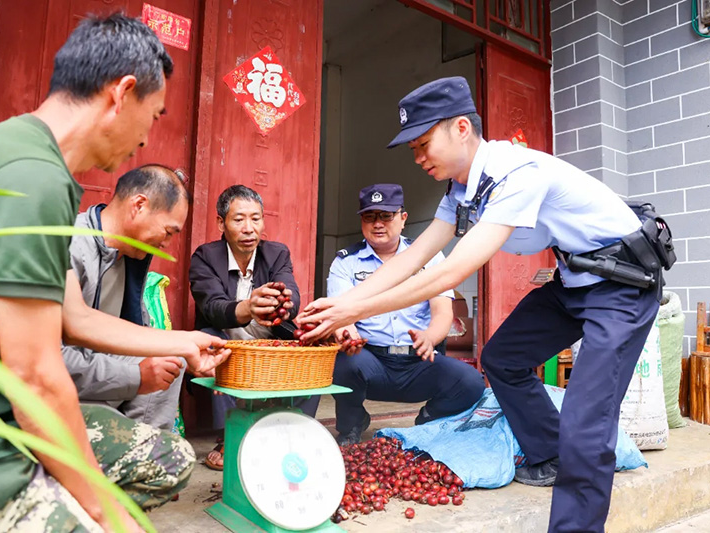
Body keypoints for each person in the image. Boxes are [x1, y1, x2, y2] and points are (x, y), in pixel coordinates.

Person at [298, 76, 664, 533]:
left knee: (586, 422)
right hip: (576, 283)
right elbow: (416, 256)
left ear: (461, 129)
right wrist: (339, 304)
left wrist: (353, 312)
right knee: (503, 359)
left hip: (622, 288)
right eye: (412, 147)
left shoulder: (518, 173)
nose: (418, 157)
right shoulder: (460, 190)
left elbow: (448, 274)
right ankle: (549, 455)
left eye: (423, 143)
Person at [0, 13, 228, 532]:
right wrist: (99, 509)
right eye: (153, 115)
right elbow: (37, 376)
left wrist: (186, 339)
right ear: (121, 94)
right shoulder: (32, 178)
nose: (147, 140)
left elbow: (74, 317)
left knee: (167, 460)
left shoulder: (31, 161)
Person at [327, 183, 485, 446]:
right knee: (342, 364)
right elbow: (341, 315)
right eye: (369, 216)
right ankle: (352, 424)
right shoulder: (346, 262)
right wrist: (346, 333)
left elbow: (443, 312)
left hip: (418, 361)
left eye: (386, 216)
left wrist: (430, 338)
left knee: (471, 382)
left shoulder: (429, 257)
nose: (378, 224)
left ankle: (428, 417)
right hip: (369, 360)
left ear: (403, 218)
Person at [189, 184, 319, 469]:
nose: (249, 228)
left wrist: (284, 302)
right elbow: (211, 306)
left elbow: (293, 297)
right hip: (224, 336)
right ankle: (228, 437)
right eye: (238, 220)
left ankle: (295, 430)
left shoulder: (276, 253)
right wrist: (248, 306)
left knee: (310, 353)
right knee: (212, 343)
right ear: (221, 223)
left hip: (267, 338)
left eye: (256, 218)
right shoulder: (205, 257)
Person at [62, 164, 198, 431]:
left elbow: (137, 336)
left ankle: (149, 448)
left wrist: (187, 347)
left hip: (99, 373)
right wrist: (136, 375)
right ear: (139, 205)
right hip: (56, 388)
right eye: (168, 232)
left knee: (171, 361)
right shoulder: (68, 245)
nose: (167, 245)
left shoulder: (131, 256)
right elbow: (52, 358)